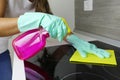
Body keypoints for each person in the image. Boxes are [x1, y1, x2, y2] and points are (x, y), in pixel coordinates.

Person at [0, 0, 110, 80]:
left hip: (3, 52)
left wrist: (76, 41)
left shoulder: (40, 2)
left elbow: (56, 27)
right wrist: (38, 19)